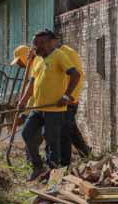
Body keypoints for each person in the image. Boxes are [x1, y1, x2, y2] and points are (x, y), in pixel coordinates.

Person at [17, 30, 81, 180]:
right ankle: (38, 166)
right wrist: (23, 101)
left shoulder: (59, 56)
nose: (35, 47)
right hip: (38, 108)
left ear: (49, 42)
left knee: (52, 140)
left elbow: (75, 74)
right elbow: (32, 82)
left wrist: (67, 95)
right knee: (27, 133)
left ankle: (54, 174)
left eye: (39, 44)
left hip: (54, 109)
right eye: (34, 44)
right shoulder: (38, 60)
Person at [54, 37, 92, 160]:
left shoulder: (68, 53)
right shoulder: (53, 55)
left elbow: (78, 76)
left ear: (54, 41)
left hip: (69, 100)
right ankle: (85, 152)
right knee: (70, 128)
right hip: (60, 99)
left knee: (65, 129)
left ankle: (66, 161)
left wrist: (70, 97)